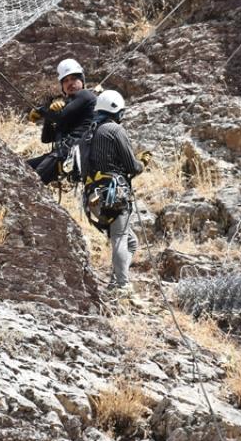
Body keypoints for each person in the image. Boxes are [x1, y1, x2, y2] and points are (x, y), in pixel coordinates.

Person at [77, 89, 151, 297]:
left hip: (94, 200)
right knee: (120, 237)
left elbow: (83, 170)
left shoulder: (86, 136)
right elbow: (132, 167)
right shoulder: (114, 130)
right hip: (114, 194)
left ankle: (116, 280)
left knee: (130, 241)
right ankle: (122, 285)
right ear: (117, 110)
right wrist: (143, 161)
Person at [25, 58, 97, 184]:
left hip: (71, 152)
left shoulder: (86, 95)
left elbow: (61, 117)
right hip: (60, 153)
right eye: (65, 81)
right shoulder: (67, 105)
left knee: (31, 181)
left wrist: (42, 111)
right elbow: (47, 138)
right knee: (21, 167)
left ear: (82, 80)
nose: (70, 83)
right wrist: (50, 114)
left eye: (74, 78)